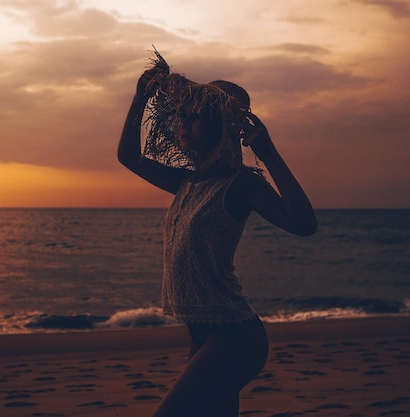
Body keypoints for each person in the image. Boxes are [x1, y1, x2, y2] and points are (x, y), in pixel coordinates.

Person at [117, 50, 317, 417]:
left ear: (220, 127)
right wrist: (139, 97)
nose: (186, 122)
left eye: (198, 117)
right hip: (203, 336)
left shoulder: (240, 184)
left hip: (235, 337)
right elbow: (129, 158)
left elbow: (303, 224)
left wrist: (267, 151)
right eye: (187, 115)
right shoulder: (187, 182)